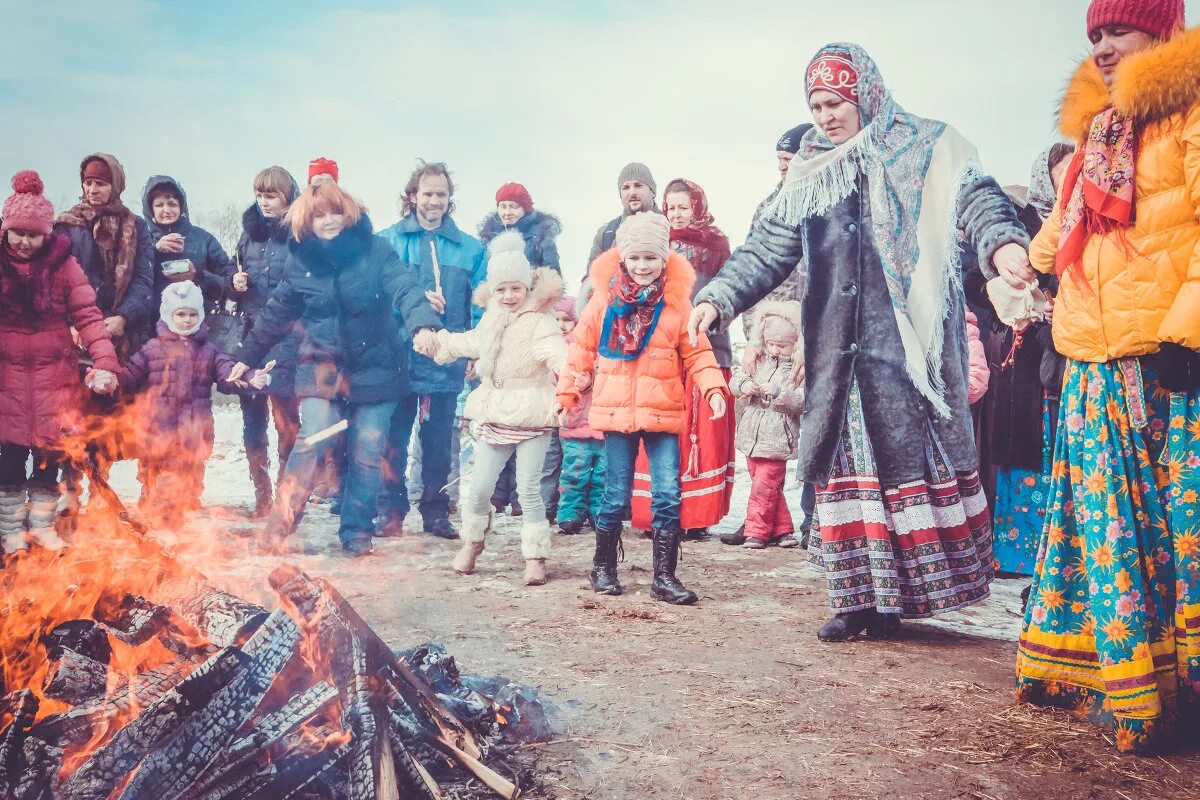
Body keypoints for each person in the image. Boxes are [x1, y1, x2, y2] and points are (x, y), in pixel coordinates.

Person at [690, 43, 1029, 640]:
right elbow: (767, 247)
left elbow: (977, 200)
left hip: (909, 355)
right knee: (848, 471)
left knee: (903, 465)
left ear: (866, 94)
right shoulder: (810, 169)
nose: (825, 116)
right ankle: (856, 601)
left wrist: (1001, 244)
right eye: (815, 105)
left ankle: (909, 596)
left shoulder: (930, 145)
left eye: (835, 102)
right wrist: (717, 299)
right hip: (838, 357)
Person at [1002, 0, 1200, 754]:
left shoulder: (1191, 113)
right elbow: (1065, 229)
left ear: (1162, 30)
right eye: (1095, 36)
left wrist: (1189, 328)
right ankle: (1118, 681)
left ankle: (1179, 688)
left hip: (1164, 359)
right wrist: (1032, 257)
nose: (1104, 47)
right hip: (1091, 355)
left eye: (1117, 30)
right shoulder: (1100, 129)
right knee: (1104, 527)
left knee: (1173, 533)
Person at [231, 180, 442, 556]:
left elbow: (405, 288)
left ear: (348, 213)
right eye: (318, 215)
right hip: (321, 366)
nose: (328, 221)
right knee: (311, 441)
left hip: (376, 365)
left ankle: (356, 531)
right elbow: (277, 313)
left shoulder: (375, 250)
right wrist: (244, 357)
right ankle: (280, 525)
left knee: (367, 449)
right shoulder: (300, 260)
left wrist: (423, 324)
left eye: (334, 213)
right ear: (305, 220)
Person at [559, 213, 727, 606]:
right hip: (617, 414)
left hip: (662, 413)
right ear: (623, 259)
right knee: (615, 495)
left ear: (664, 259)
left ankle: (664, 577)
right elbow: (580, 350)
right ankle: (603, 567)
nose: (643, 266)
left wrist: (714, 388)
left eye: (651, 258)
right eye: (635, 258)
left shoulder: (678, 305)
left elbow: (698, 353)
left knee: (667, 493)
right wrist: (567, 393)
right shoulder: (603, 302)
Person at [416, 232, 567, 585]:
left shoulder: (540, 320)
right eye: (501, 289)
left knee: (529, 488)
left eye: (516, 288)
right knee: (481, 485)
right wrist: (439, 342)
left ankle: (535, 556)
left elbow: (556, 351)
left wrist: (570, 375)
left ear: (527, 287)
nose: (509, 296)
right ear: (493, 291)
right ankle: (473, 541)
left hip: (531, 410)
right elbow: (471, 341)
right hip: (496, 410)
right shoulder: (492, 317)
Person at [0, 171, 118, 554]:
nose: (24, 241)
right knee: (9, 463)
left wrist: (105, 362)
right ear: (6, 231)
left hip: (55, 379)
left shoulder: (63, 266)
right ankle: (11, 531)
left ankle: (42, 526)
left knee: (49, 460)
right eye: (17, 233)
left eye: (33, 234)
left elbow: (87, 315)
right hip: (7, 379)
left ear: (46, 235)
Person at [980, 144, 1074, 577]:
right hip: (1024, 359)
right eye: (1058, 171)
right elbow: (982, 281)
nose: (1064, 179)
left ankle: (1054, 557)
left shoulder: (1084, 220)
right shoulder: (1023, 226)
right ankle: (1016, 556)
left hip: (1067, 355)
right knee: (1023, 452)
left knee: (1061, 457)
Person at [379, 162, 485, 540]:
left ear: (449, 198)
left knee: (439, 441)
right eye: (427, 193)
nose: (434, 201)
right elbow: (375, 294)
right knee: (393, 437)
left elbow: (482, 305)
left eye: (441, 194)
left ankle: (436, 512)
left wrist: (476, 351)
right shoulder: (388, 240)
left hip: (446, 359)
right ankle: (390, 510)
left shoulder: (471, 249)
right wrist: (413, 303)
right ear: (412, 196)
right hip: (398, 357)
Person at [629, 178, 736, 540]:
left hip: (707, 347)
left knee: (701, 436)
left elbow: (731, 293)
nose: (675, 214)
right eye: (670, 207)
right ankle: (654, 514)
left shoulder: (718, 246)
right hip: (661, 350)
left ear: (698, 207)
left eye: (682, 207)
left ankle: (695, 517)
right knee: (658, 431)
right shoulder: (657, 245)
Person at [117, 281, 270, 528]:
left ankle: (179, 533)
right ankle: (152, 528)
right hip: (158, 433)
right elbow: (129, 375)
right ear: (168, 314)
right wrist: (108, 378)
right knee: (156, 484)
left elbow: (228, 373)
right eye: (180, 314)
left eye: (192, 314)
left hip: (194, 435)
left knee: (188, 486)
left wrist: (249, 377)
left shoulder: (209, 351)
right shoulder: (152, 349)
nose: (187, 320)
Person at [477, 182, 565, 518]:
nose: (508, 212)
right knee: (497, 413)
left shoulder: (540, 238)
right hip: (499, 322)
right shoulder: (489, 240)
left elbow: (551, 275)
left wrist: (542, 312)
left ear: (525, 209)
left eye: (514, 206)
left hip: (528, 320)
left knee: (525, 416)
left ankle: (520, 494)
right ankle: (497, 491)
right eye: (503, 206)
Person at [233, 166, 303, 517]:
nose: (265, 202)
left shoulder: (301, 234)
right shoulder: (249, 235)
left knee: (287, 423)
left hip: (288, 339)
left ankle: (285, 497)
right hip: (251, 337)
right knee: (253, 421)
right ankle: (262, 494)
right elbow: (236, 280)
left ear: (288, 196)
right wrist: (236, 283)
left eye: (272, 195)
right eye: (260, 195)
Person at [54, 153, 155, 360]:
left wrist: (124, 316)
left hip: (124, 334)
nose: (92, 190)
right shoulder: (66, 225)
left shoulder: (136, 227)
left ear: (115, 186)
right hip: (74, 335)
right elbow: (55, 281)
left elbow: (144, 278)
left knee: (122, 390)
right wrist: (70, 324)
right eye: (87, 182)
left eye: (100, 183)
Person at [731, 301, 805, 549]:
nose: (775, 350)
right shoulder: (759, 361)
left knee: (764, 486)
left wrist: (779, 393)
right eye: (771, 344)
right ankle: (783, 530)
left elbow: (802, 401)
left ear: (795, 345)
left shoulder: (797, 370)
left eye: (782, 346)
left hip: (776, 438)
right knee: (767, 486)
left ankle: (756, 532)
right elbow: (737, 378)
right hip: (751, 435)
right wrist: (743, 386)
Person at [140, 175, 236, 311]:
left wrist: (197, 276)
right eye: (159, 205)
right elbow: (133, 280)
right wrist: (155, 251)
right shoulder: (142, 239)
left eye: (172, 204)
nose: (166, 210)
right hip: (153, 323)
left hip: (199, 322)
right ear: (151, 210)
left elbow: (227, 283)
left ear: (181, 207)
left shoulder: (204, 239)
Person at [554, 295, 606, 535]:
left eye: (567, 319)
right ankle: (570, 513)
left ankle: (599, 513)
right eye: (558, 320)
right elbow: (560, 378)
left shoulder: (606, 346)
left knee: (603, 475)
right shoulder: (563, 348)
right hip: (575, 425)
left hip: (604, 425)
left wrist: (593, 378)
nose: (562, 325)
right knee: (575, 471)